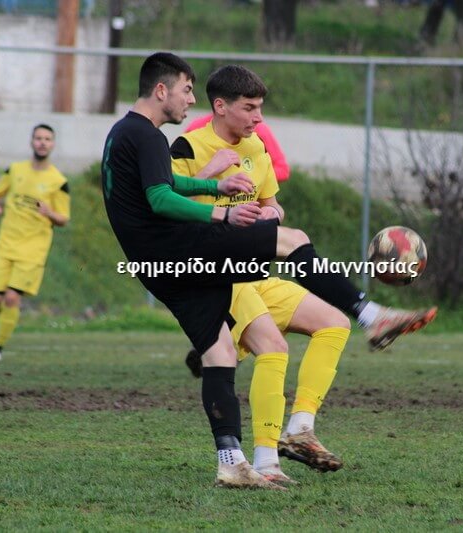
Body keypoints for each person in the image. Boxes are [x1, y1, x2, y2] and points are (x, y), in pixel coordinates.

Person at [102, 52, 436, 490]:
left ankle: (232, 463)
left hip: (160, 266)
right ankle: (371, 315)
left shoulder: (127, 132)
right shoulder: (148, 135)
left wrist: (214, 186)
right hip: (180, 248)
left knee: (219, 354)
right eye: (186, 89)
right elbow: (161, 199)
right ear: (161, 90)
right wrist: (221, 213)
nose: (190, 99)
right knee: (291, 240)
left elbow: (169, 183)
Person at [171, 65, 349, 485]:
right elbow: (166, 208)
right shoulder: (186, 145)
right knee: (274, 346)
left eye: (260, 107)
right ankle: (267, 462)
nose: (258, 117)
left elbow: (272, 204)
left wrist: (272, 214)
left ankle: (299, 428)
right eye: (250, 108)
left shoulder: (257, 147)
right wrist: (211, 173)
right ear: (220, 106)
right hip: (218, 274)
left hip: (256, 273)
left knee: (335, 323)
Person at [0, 124, 70, 363]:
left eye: (47, 139)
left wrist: (50, 213)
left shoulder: (59, 181)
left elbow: (64, 218)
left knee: (12, 298)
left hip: (33, 249)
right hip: (5, 244)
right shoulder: (14, 170)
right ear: (32, 141)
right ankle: (8, 319)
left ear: (53, 145)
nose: (42, 142)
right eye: (38, 138)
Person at [184, 113, 290, 182]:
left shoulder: (259, 130)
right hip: (203, 205)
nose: (258, 117)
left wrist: (247, 178)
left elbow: (283, 170)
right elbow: (180, 176)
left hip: (247, 204)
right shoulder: (196, 127)